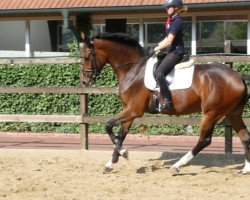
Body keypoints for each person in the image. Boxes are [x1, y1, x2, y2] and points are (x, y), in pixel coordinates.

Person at [153, 0, 185, 111]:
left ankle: (168, 101)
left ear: (176, 7)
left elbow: (169, 42)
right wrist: (156, 46)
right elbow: (166, 38)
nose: (166, 9)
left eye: (168, 7)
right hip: (171, 51)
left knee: (159, 73)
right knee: (155, 67)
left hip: (176, 52)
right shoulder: (171, 20)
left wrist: (156, 49)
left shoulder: (177, 21)